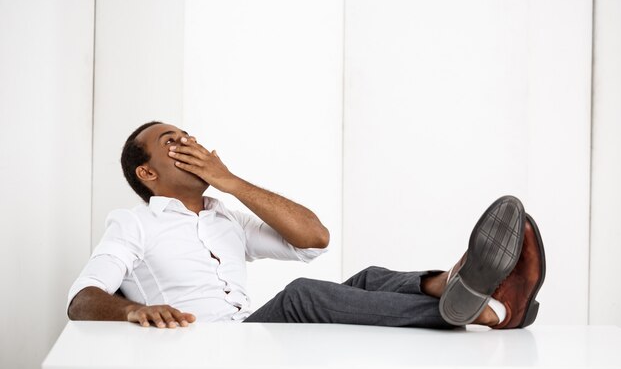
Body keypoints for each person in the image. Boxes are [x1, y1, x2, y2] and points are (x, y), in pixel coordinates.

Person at [67, 121, 546, 330]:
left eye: (188, 135)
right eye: (171, 143)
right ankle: (489, 310)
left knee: (368, 279)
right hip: (210, 346)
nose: (187, 143)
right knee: (302, 296)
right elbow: (82, 300)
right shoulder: (133, 223)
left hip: (247, 338)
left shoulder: (223, 217)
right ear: (147, 174)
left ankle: (449, 285)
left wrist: (230, 182)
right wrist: (132, 312)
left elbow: (314, 238)